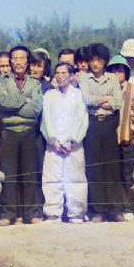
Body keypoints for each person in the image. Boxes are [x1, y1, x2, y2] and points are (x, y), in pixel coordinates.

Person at [0, 45, 43, 225]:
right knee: (9, 174)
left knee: (29, 174)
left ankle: (31, 214)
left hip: (29, 132)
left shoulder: (35, 83)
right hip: (9, 133)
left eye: (22, 58)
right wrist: (24, 99)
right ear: (10, 61)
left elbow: (35, 109)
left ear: (27, 62)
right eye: (15, 58)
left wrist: (14, 105)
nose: (18, 62)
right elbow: (2, 102)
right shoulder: (2, 82)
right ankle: (8, 214)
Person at [79, 43, 127, 222]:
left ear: (105, 61)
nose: (95, 64)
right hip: (92, 124)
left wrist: (99, 101)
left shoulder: (113, 79)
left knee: (112, 167)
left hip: (109, 124)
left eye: (99, 60)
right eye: (92, 60)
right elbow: (86, 100)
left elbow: (118, 103)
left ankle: (115, 209)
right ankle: (98, 210)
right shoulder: (85, 78)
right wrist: (106, 99)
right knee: (95, 168)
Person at [40, 62, 89, 223]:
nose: (60, 76)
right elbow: (45, 120)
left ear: (71, 75)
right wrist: (52, 139)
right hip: (53, 146)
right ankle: (53, 213)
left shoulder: (79, 95)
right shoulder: (49, 95)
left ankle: (76, 213)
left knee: (76, 179)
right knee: (52, 178)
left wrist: (73, 141)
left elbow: (83, 120)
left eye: (64, 73)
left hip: (73, 146)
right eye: (58, 73)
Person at [106, 55, 134, 218]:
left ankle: (129, 207)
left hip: (127, 141)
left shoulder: (132, 89)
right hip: (108, 140)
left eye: (120, 69)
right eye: (113, 69)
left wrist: (132, 133)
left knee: (128, 174)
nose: (117, 72)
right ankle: (115, 208)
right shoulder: (106, 89)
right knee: (112, 175)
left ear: (126, 72)